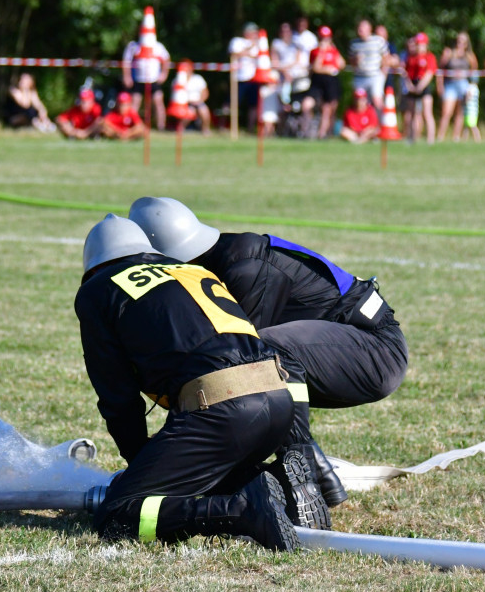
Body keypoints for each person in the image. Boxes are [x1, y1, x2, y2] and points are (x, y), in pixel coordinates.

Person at [129, 196, 410, 508]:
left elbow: (238, 366)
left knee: (259, 358)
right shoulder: (224, 257)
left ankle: (305, 469)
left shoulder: (244, 266)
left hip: (375, 350)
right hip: (347, 345)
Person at [76, 214, 331, 551]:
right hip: (277, 400)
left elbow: (118, 398)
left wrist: (139, 467)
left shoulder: (98, 289)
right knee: (199, 472)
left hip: (223, 410)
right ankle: (260, 485)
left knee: (117, 515)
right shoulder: (192, 270)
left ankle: (241, 509)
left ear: (92, 268)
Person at [122, 30, 171, 132]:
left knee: (158, 102)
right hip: (138, 79)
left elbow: (166, 60)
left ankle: (161, 127)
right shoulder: (133, 46)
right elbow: (126, 62)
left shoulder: (158, 46)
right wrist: (127, 77)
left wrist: (164, 74)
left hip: (154, 79)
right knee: (135, 103)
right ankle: (130, 126)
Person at [437, 31, 478, 142]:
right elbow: (440, 70)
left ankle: (456, 137)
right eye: (459, 40)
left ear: (466, 43)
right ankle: (440, 137)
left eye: (463, 41)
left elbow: (474, 73)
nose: (460, 43)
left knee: (460, 113)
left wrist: (472, 87)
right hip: (450, 85)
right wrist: (439, 85)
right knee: (446, 112)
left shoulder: (470, 56)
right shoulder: (449, 53)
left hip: (463, 85)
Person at [304, 26, 344, 139]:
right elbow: (316, 68)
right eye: (322, 38)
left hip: (331, 82)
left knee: (329, 108)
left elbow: (341, 64)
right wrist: (322, 54)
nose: (324, 41)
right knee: (307, 105)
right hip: (317, 82)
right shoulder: (315, 52)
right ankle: (307, 132)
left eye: (326, 38)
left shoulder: (334, 51)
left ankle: (324, 133)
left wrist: (333, 51)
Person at [348, 19, 390, 112]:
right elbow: (351, 61)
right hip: (360, 77)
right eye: (359, 27)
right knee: (359, 102)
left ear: (369, 29)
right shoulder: (354, 44)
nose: (360, 29)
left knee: (377, 101)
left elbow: (386, 58)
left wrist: (383, 74)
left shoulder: (379, 41)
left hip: (375, 76)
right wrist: (355, 60)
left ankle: (380, 123)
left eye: (362, 27)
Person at [404, 32, 437, 144]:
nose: (419, 46)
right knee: (412, 113)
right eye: (417, 44)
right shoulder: (411, 58)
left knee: (427, 113)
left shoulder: (429, 57)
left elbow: (430, 73)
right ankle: (412, 138)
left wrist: (420, 86)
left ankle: (430, 139)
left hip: (424, 85)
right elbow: (406, 74)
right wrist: (410, 86)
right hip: (413, 85)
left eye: (421, 44)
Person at [228, 22, 261, 131]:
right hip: (239, 78)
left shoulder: (259, 44)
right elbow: (234, 54)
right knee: (232, 103)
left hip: (254, 78)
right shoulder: (237, 41)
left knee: (253, 105)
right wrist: (249, 48)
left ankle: (250, 128)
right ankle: (226, 125)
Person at [178, 59, 211, 134]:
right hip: (185, 103)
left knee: (204, 111)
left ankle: (205, 129)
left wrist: (199, 101)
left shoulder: (198, 78)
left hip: (199, 102)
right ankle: (180, 129)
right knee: (190, 111)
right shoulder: (179, 80)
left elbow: (205, 92)